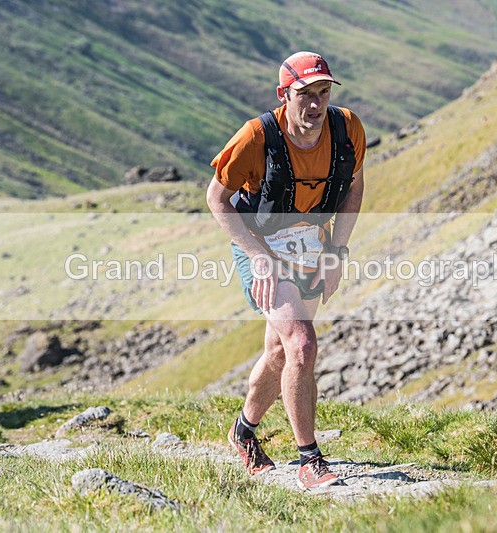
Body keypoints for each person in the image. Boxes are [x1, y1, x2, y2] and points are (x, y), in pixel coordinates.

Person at [206, 51, 366, 489]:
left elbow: (354, 188)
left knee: (280, 353)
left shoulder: (348, 129)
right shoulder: (256, 136)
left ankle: (243, 431)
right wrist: (257, 255)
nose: (315, 104)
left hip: (313, 242)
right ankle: (309, 460)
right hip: (260, 244)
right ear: (284, 95)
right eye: (304, 94)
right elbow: (216, 198)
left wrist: (337, 252)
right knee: (302, 344)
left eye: (323, 92)